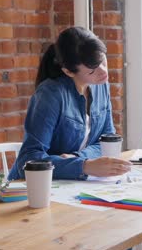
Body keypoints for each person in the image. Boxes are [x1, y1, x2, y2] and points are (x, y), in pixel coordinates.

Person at [8, 26, 132, 181]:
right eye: (92, 70)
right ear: (68, 72)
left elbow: (108, 141)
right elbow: (28, 160)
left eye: (102, 60)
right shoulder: (50, 95)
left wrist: (78, 158)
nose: (103, 72)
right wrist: (84, 166)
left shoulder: (100, 84)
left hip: (73, 185)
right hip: (33, 187)